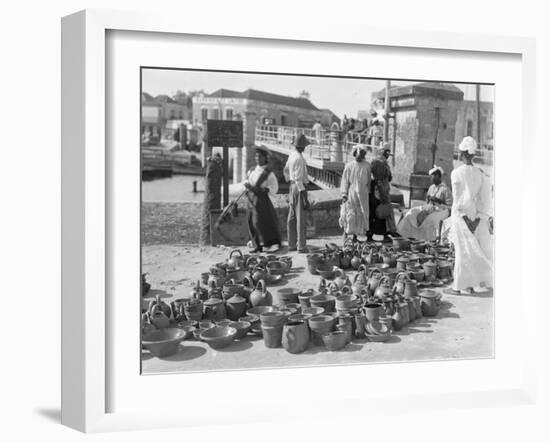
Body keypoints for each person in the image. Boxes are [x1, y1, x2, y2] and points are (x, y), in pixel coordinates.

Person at [441, 136, 493, 294]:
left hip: (461, 214)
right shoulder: (480, 174)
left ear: (462, 154)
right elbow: (484, 199)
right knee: (470, 250)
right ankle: (469, 285)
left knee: (461, 251)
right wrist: (477, 219)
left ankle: (459, 286)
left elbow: (457, 199)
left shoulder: (456, 173)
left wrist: (462, 217)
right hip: (473, 215)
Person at [396, 165, 452, 241]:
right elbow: (427, 202)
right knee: (412, 212)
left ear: (438, 176)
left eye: (433, 176)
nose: (431, 178)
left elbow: (450, 206)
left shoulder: (445, 189)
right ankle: (405, 235)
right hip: (429, 207)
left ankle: (430, 239)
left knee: (430, 220)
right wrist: (429, 201)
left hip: (441, 210)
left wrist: (438, 201)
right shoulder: (431, 187)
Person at [244, 147, 281, 253]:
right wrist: (248, 187)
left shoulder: (268, 173)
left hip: (262, 201)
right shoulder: (253, 170)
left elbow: (274, 188)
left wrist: (262, 189)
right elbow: (249, 182)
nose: (258, 158)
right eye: (256, 156)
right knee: (251, 222)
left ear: (265, 158)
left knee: (260, 223)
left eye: (260, 156)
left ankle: (270, 243)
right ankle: (257, 245)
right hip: (251, 200)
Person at [339, 144, 371, 242]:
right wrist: (344, 193)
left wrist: (368, 191)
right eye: (359, 154)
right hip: (352, 192)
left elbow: (369, 180)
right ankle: (345, 232)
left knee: (361, 213)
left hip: (363, 193)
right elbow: (345, 180)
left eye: (362, 154)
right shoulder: (349, 166)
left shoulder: (367, 165)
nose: (360, 156)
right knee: (349, 213)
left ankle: (356, 235)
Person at [284, 133, 310, 253]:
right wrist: (304, 196)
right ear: (301, 147)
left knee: (292, 217)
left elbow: (285, 170)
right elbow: (299, 179)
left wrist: (290, 182)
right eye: (304, 146)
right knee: (300, 218)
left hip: (292, 186)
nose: (305, 148)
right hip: (299, 187)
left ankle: (291, 244)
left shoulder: (291, 155)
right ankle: (301, 246)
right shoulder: (299, 158)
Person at [369, 145, 397, 238]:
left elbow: (388, 177)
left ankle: (385, 233)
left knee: (383, 211)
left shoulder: (383, 162)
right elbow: (379, 176)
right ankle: (375, 233)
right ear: (382, 151)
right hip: (379, 190)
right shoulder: (378, 161)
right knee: (378, 212)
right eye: (386, 152)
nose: (388, 154)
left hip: (383, 189)